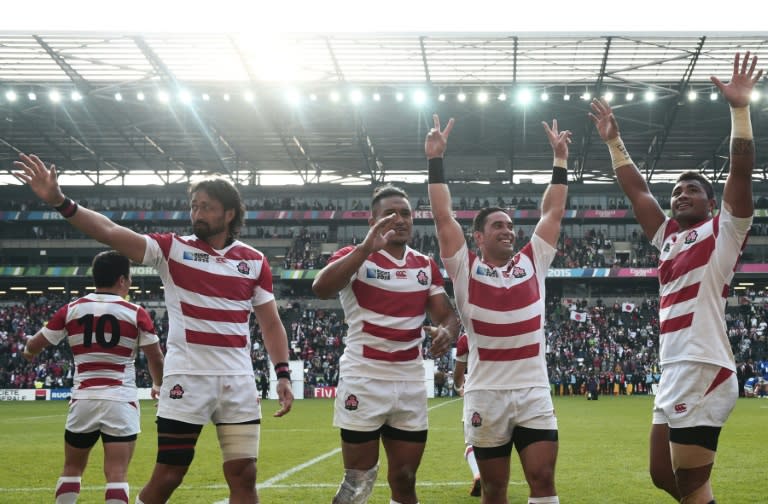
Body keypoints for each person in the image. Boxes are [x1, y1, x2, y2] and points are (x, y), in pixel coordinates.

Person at [13, 157, 294, 504]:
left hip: (237, 379)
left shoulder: (254, 260)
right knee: (169, 474)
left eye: (207, 207)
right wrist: (61, 202)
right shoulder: (172, 249)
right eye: (194, 206)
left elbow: (270, 322)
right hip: (186, 379)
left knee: (245, 475)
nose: (197, 213)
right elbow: (110, 232)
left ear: (230, 213)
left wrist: (282, 373)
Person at [589, 51, 762, 504]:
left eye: (691, 190)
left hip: (703, 366)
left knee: (689, 484)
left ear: (710, 201)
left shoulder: (724, 231)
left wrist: (739, 109)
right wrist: (614, 142)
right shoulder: (667, 236)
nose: (680, 195)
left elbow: (740, 173)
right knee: (663, 476)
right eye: (676, 192)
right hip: (673, 369)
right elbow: (637, 190)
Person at [426, 114, 571, 504]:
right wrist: (435, 160)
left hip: (532, 389)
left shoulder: (533, 260)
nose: (508, 230)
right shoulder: (464, 267)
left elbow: (552, 212)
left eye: (510, 226)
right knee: (494, 489)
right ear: (478, 236)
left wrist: (560, 162)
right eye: (498, 226)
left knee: (543, 479)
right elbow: (443, 216)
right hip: (486, 393)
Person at [312, 184, 460, 504]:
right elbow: (321, 288)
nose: (400, 219)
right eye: (390, 214)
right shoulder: (355, 257)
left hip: (408, 379)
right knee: (358, 483)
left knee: (405, 480)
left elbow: (448, 316)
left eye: (405, 213)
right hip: (364, 377)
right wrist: (365, 249)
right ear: (372, 221)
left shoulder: (424, 265)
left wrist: (447, 333)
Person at [22, 250, 164, 504]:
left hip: (83, 399)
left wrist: (28, 352)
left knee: (72, 470)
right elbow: (156, 357)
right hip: (120, 400)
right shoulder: (135, 312)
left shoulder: (72, 309)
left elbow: (35, 344)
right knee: (117, 474)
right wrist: (158, 384)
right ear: (122, 280)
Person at [453, 331, 482, 498]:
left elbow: (458, 375)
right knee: (497, 445)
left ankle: (478, 474)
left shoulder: (467, 336)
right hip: (503, 394)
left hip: (475, 393)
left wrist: (459, 388)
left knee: (471, 443)